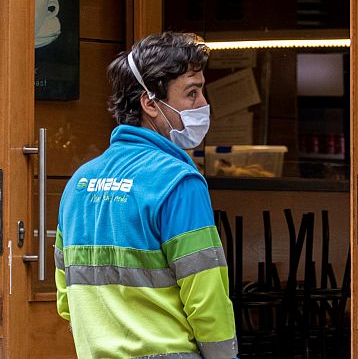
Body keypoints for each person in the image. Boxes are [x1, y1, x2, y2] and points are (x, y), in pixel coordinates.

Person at [54, 32, 237, 359]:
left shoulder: (79, 183)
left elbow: (66, 300)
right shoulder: (178, 182)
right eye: (191, 93)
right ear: (150, 103)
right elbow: (206, 296)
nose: (203, 105)